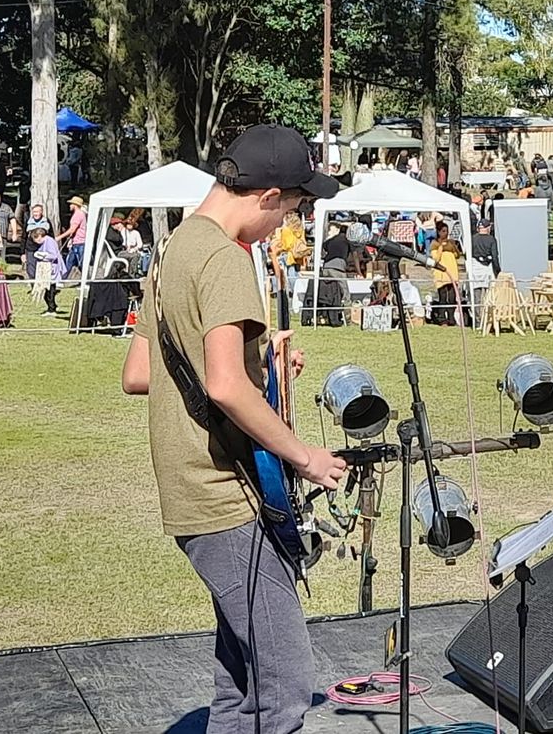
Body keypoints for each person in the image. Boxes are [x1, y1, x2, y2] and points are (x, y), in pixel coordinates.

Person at [121, 123, 345, 734]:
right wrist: (306, 458)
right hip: (225, 496)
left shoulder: (174, 249)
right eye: (294, 209)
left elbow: (141, 373)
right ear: (269, 196)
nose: (287, 226)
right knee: (286, 680)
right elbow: (221, 386)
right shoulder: (224, 257)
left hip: (191, 490)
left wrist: (259, 360)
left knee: (241, 684)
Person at [30, 227, 62, 316]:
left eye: (36, 239)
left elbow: (54, 255)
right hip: (47, 269)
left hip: (51, 269)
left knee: (50, 290)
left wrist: (44, 255)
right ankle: (53, 306)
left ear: (40, 236)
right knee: (47, 290)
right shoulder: (44, 242)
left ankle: (51, 309)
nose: (36, 242)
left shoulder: (49, 241)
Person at [60, 196, 88, 277]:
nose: (70, 205)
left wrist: (60, 237)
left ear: (75, 205)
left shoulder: (78, 215)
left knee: (81, 263)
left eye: (71, 204)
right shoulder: (78, 214)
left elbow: (72, 229)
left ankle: (86, 281)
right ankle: (62, 279)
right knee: (69, 261)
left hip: (80, 242)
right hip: (76, 242)